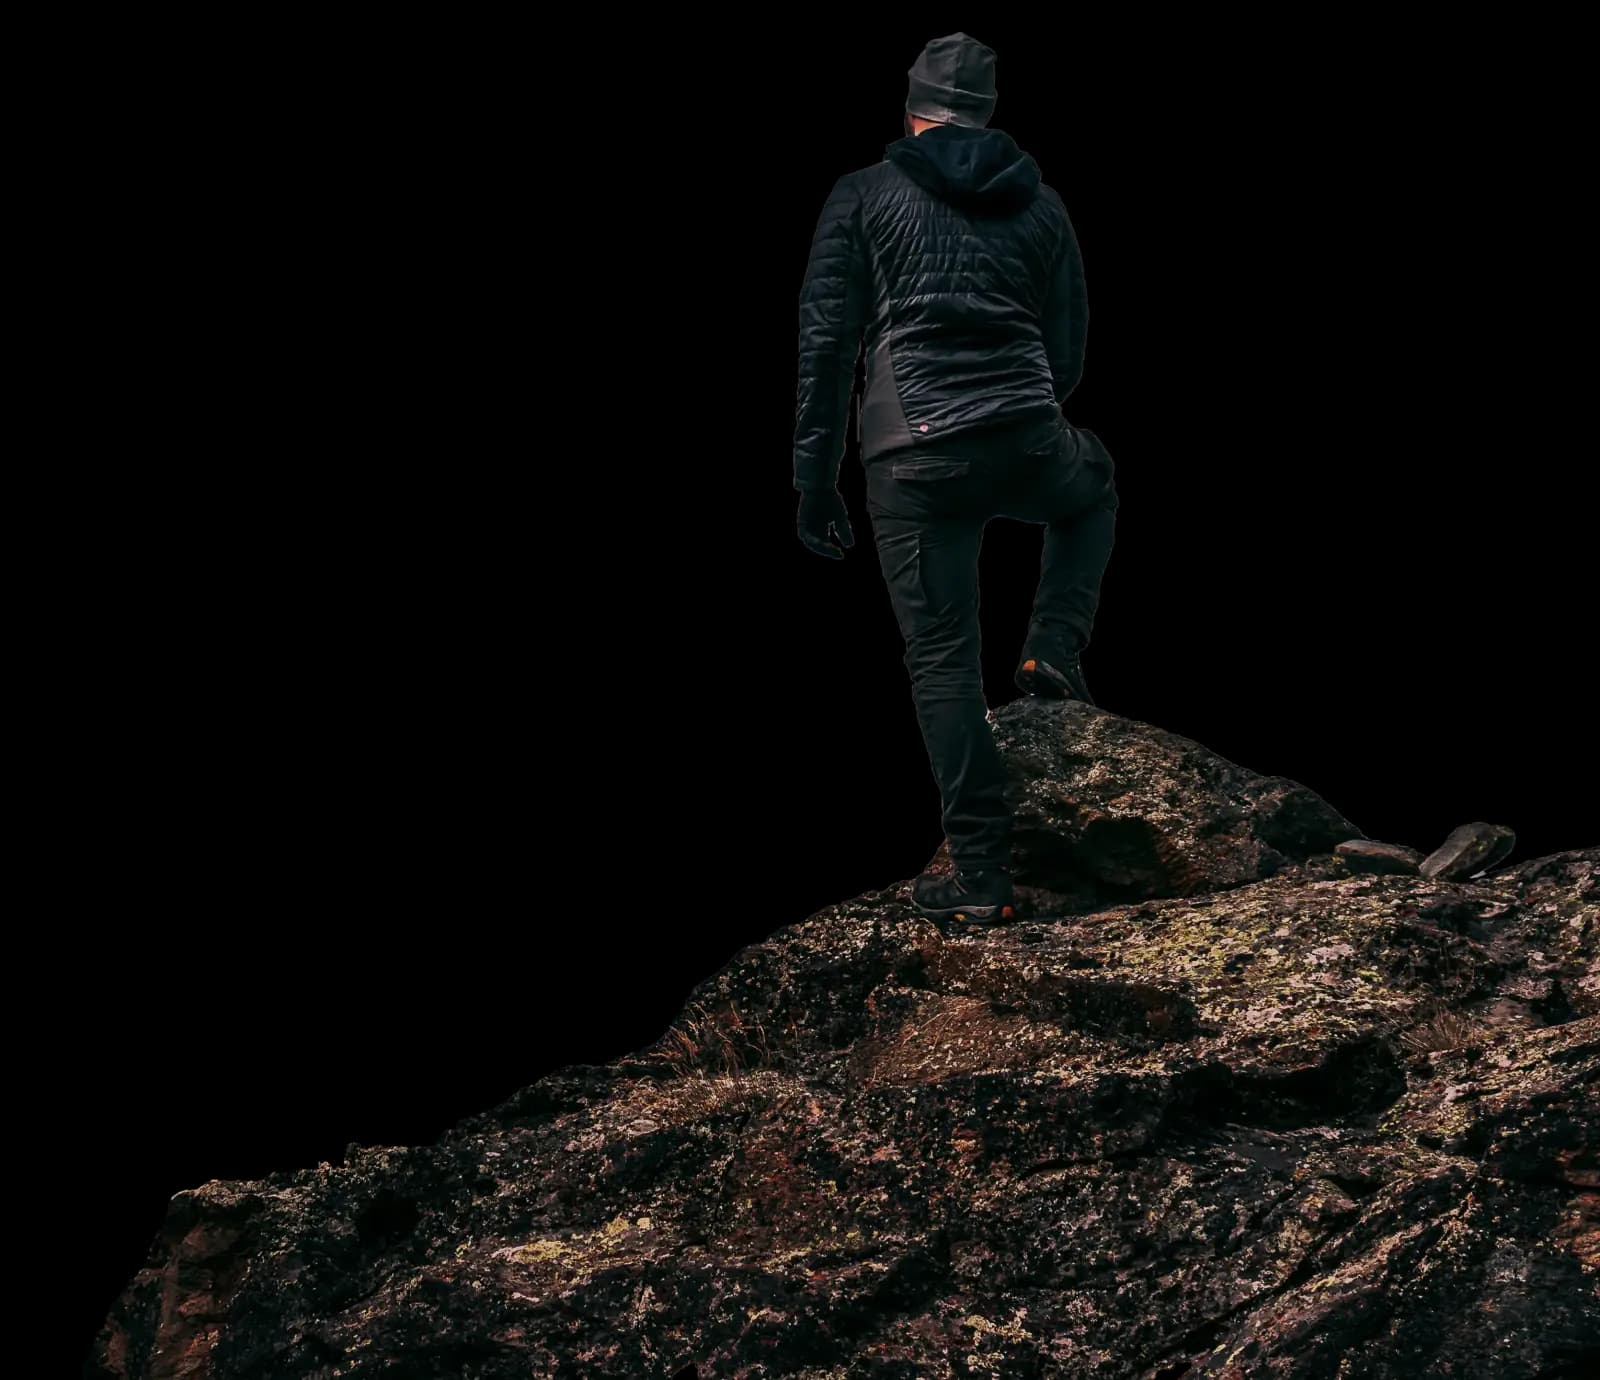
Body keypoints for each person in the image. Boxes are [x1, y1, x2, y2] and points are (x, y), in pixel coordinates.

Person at [792, 31, 1120, 924]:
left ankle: (982, 874)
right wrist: (1020, 413)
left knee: (942, 661)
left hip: (914, 456)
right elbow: (1069, 347)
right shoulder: (1042, 204)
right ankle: (1053, 646)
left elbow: (827, 348)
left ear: (911, 111)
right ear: (986, 115)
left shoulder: (862, 194)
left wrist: (813, 483)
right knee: (1091, 487)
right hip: (1023, 434)